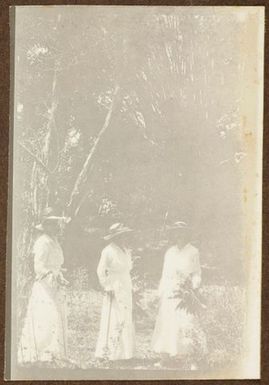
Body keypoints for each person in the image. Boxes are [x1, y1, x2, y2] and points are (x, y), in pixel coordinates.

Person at [151, 222, 207, 369]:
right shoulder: (169, 252)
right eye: (176, 233)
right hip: (170, 290)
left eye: (182, 233)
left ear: (186, 234)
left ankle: (187, 357)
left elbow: (197, 273)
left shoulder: (193, 251)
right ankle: (166, 356)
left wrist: (193, 287)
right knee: (167, 321)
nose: (179, 236)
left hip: (185, 292)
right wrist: (160, 292)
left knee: (185, 321)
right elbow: (164, 274)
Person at [18, 208, 70, 364]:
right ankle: (40, 350)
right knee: (46, 315)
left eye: (56, 224)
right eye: (52, 224)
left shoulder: (54, 241)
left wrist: (60, 276)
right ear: (46, 226)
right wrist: (51, 276)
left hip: (55, 283)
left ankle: (55, 351)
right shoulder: (42, 242)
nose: (56, 227)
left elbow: (57, 264)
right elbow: (39, 266)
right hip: (45, 285)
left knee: (57, 315)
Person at [95, 222, 134, 361]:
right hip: (114, 286)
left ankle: (124, 353)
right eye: (121, 236)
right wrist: (107, 286)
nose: (124, 238)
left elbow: (127, 269)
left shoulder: (126, 250)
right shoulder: (108, 251)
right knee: (114, 316)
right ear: (114, 237)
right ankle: (109, 352)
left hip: (125, 286)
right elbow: (100, 271)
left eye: (124, 236)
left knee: (125, 315)